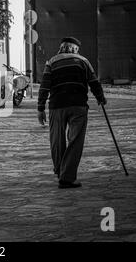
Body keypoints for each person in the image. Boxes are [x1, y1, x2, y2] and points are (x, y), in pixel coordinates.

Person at [37, 37, 107, 189]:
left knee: (57, 140)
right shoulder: (83, 61)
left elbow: (44, 86)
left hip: (57, 106)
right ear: (75, 49)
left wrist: (40, 108)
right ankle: (67, 177)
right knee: (75, 141)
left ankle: (60, 171)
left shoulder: (52, 62)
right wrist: (100, 98)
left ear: (61, 48)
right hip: (78, 106)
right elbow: (94, 82)